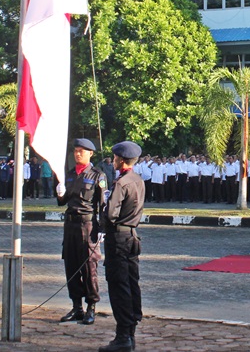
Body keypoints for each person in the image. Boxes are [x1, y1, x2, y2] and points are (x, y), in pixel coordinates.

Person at [99, 140, 146, 352]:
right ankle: (131, 332)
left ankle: (123, 336)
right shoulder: (137, 180)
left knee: (119, 287)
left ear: (122, 160)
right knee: (131, 283)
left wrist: (104, 204)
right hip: (131, 236)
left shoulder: (121, 183)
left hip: (118, 237)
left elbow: (110, 215)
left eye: (116, 158)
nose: (113, 161)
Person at [57, 138, 107, 325]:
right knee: (71, 266)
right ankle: (76, 307)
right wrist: (60, 192)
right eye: (76, 150)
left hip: (88, 226)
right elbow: (63, 202)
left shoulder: (97, 176)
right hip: (70, 226)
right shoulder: (69, 175)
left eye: (82, 151)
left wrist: (102, 229)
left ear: (90, 153)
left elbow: (103, 205)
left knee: (88, 268)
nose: (78, 154)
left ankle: (91, 307)